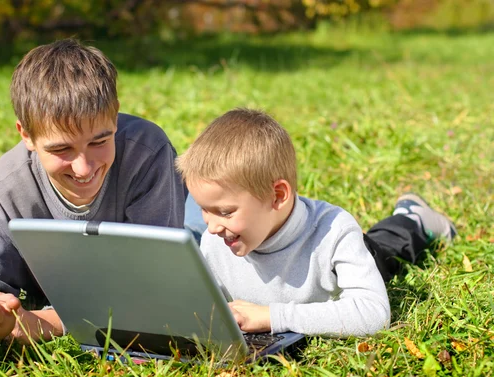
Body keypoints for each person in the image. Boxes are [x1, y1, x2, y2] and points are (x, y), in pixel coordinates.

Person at [0, 39, 186, 356]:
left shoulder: (147, 153)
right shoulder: (6, 191)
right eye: (61, 149)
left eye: (100, 141)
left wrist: (47, 322)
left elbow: (158, 285)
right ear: (26, 135)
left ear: (115, 116)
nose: (84, 168)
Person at [176, 108, 456, 336]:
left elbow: (373, 313)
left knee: (389, 249)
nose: (211, 227)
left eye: (225, 212)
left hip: (356, 249)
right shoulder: (216, 238)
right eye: (204, 210)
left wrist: (273, 316)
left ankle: (413, 218)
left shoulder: (335, 232)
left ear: (277, 196)